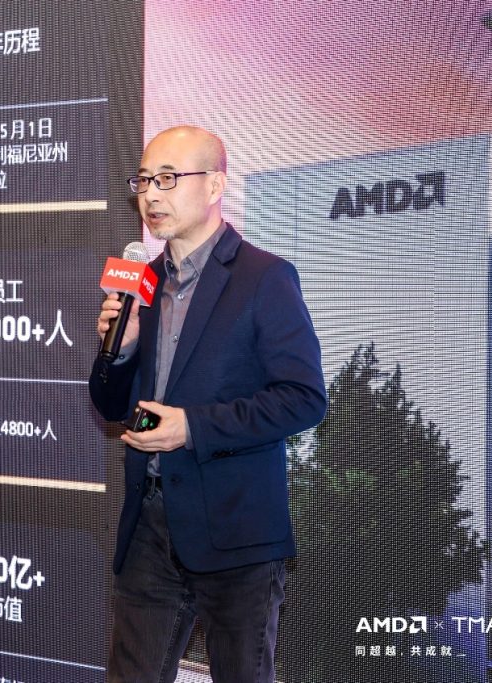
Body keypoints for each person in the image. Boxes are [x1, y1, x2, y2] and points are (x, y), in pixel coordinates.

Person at [89, 125, 327, 683]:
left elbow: (303, 399)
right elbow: (109, 404)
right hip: (150, 525)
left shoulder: (264, 277)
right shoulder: (141, 283)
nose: (151, 195)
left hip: (236, 531)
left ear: (215, 185)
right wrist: (121, 352)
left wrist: (191, 428)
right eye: (144, 181)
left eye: (168, 179)